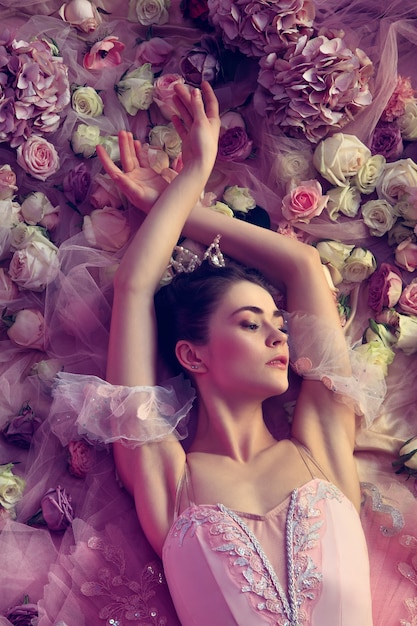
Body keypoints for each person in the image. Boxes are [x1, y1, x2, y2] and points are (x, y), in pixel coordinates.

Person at [94, 81, 374, 625]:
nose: (280, 337)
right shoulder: (170, 480)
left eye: (278, 322)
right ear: (192, 355)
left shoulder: (322, 443)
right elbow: (133, 288)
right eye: (251, 323)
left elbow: (303, 268)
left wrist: (175, 208)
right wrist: (193, 174)